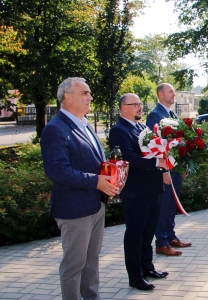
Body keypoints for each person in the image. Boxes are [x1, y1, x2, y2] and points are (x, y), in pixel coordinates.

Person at [41, 77, 119, 300]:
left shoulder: (84, 124)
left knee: (91, 259)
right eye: (85, 93)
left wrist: (114, 173)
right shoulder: (55, 128)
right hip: (73, 209)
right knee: (74, 265)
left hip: (95, 204)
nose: (90, 97)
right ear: (67, 97)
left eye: (89, 93)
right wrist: (95, 181)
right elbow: (56, 170)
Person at [108, 93, 170, 291]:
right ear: (123, 107)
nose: (139, 107)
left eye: (140, 104)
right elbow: (128, 158)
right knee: (135, 235)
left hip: (152, 188)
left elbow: (155, 150)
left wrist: (165, 161)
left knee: (148, 232)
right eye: (134, 104)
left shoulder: (142, 128)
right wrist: (156, 162)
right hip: (135, 192)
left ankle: (147, 267)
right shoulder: (119, 131)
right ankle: (134, 276)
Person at [146, 83, 192, 256]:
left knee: (172, 205)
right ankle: (161, 243)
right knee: (163, 206)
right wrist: (164, 171)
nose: (174, 94)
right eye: (170, 91)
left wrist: (183, 165)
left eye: (174, 91)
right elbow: (154, 146)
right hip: (165, 171)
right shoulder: (155, 116)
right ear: (160, 94)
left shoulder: (172, 114)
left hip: (175, 169)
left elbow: (177, 142)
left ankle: (171, 236)